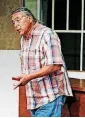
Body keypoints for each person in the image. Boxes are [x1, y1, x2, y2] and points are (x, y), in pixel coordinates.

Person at [11, 7, 73, 117]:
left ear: (29, 18)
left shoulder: (47, 34)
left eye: (18, 20)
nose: (15, 25)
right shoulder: (23, 39)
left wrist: (28, 77)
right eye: (13, 22)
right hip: (34, 98)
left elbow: (54, 65)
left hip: (50, 97)